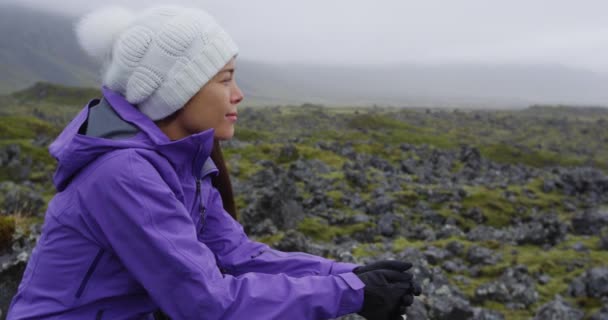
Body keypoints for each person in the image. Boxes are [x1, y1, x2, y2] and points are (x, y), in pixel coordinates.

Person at [7, 5, 420, 320]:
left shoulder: (177, 163)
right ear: (176, 90)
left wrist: (351, 273)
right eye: (225, 79)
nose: (239, 95)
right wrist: (351, 293)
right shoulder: (124, 174)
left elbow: (238, 255)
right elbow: (205, 304)